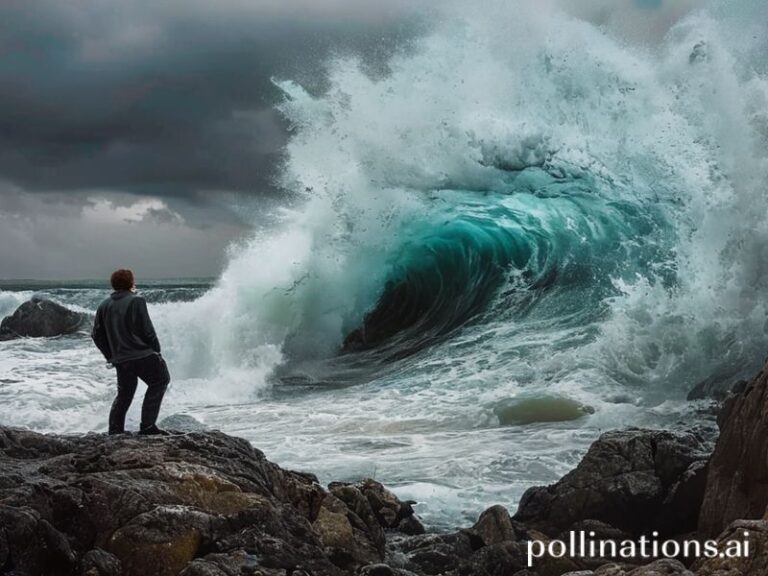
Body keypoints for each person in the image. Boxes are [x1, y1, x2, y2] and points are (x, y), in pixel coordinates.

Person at [91, 269, 170, 435]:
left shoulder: (104, 305)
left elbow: (96, 335)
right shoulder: (137, 301)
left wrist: (111, 355)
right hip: (142, 355)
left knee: (124, 394)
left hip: (121, 359)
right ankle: (148, 427)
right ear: (130, 282)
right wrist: (157, 351)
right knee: (160, 381)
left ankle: (115, 430)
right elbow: (148, 331)